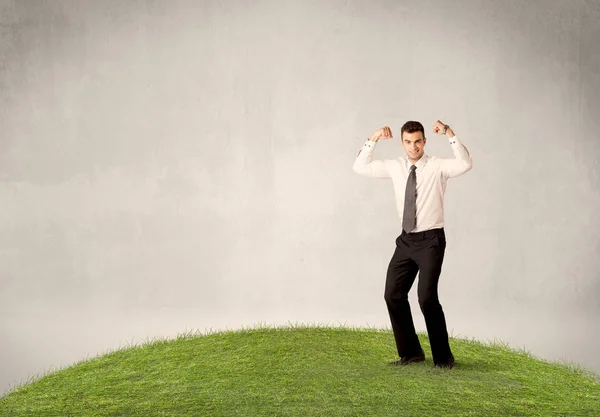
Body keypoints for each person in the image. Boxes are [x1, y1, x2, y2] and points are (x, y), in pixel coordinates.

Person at [352, 120, 472, 369]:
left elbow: (465, 163)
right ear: (402, 143)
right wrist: (373, 137)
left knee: (426, 298)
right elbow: (359, 166)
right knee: (393, 294)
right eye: (408, 142)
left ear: (424, 141)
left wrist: (450, 133)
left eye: (418, 141)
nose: (413, 147)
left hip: (431, 240)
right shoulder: (396, 167)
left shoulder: (437, 166)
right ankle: (411, 353)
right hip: (406, 240)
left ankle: (444, 359)